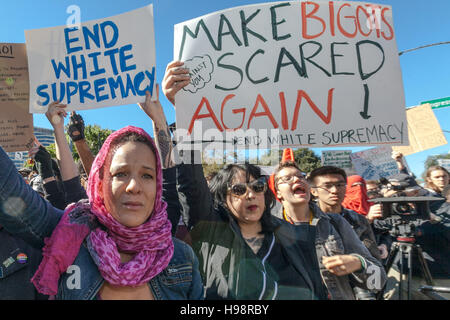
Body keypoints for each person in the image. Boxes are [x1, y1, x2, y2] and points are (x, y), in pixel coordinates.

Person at [0, 100, 203, 300]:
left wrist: (160, 119)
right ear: (100, 183)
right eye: (121, 174)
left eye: (147, 176)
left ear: (157, 187)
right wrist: (58, 129)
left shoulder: (182, 259)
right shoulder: (69, 235)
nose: (134, 186)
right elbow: (9, 190)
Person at [163, 61, 326, 300]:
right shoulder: (212, 231)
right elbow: (191, 185)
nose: (250, 194)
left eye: (257, 187)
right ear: (221, 198)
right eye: (238, 189)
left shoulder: (291, 235)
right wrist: (182, 109)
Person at [272, 161, 386, 300]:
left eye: (301, 176)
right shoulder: (267, 228)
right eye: (287, 178)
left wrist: (358, 263)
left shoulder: (336, 223)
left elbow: (378, 280)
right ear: (278, 191)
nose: (297, 179)